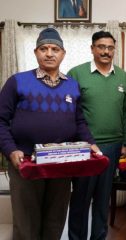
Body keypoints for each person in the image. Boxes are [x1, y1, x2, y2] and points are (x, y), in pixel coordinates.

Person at [0, 28, 99, 240]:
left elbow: (79, 121)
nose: (49, 53)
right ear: (36, 52)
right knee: (26, 225)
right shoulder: (17, 81)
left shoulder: (72, 86)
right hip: (25, 163)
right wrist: (11, 150)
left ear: (63, 53)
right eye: (44, 48)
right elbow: (0, 121)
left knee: (55, 222)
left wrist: (90, 143)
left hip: (61, 164)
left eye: (55, 49)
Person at [67, 31, 126, 240]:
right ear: (92, 48)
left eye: (110, 47)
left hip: (113, 147)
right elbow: (69, 112)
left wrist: (125, 143)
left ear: (114, 50)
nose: (106, 51)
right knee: (81, 199)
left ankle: (99, 237)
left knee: (103, 199)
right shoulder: (76, 73)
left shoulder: (122, 76)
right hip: (85, 147)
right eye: (101, 47)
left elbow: (125, 111)